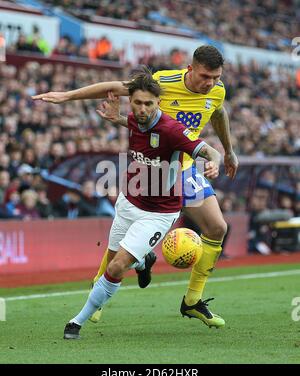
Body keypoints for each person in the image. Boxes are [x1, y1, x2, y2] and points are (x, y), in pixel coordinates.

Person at [33, 45, 238, 328]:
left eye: (216, 77)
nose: (211, 83)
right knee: (123, 230)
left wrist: (228, 150)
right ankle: (99, 287)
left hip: (185, 167)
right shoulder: (163, 83)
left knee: (217, 228)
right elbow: (116, 87)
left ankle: (192, 301)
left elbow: (218, 112)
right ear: (190, 69)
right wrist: (68, 96)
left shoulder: (216, 90)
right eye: (205, 76)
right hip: (155, 168)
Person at [63, 68, 222, 339]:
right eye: (137, 103)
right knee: (113, 258)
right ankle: (142, 262)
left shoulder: (173, 130)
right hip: (128, 201)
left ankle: (77, 322)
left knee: (114, 268)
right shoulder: (136, 120)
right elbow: (133, 122)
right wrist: (116, 119)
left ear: (158, 102)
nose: (143, 108)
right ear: (131, 101)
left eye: (149, 103)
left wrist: (215, 160)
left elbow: (206, 149)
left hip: (159, 213)